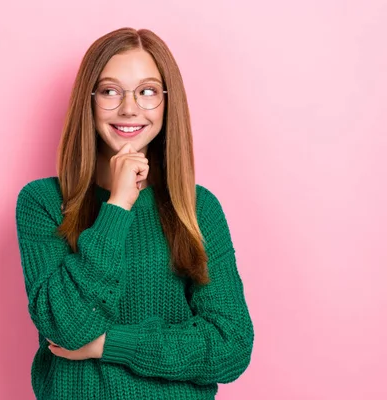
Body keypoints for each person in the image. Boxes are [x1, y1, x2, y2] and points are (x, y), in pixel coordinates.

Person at [15, 27, 254, 400]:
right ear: (89, 101)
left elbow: (230, 344)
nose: (129, 108)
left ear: (165, 103)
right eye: (111, 91)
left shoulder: (198, 208)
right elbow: (63, 327)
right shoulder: (43, 202)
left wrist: (110, 344)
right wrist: (118, 206)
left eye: (147, 92)